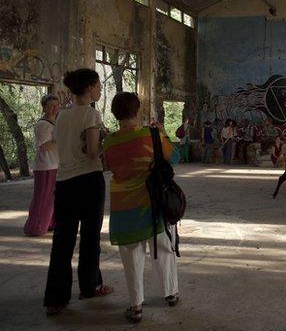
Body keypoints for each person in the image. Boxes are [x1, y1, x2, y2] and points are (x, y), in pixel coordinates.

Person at [103, 92, 180, 323]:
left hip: (124, 206)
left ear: (116, 114)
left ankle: (136, 306)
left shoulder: (109, 141)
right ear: (137, 111)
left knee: (131, 256)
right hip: (154, 202)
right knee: (164, 249)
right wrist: (163, 133)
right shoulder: (152, 135)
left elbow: (106, 165)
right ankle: (171, 293)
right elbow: (174, 159)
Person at [44, 69, 113, 315]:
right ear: (89, 88)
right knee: (90, 237)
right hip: (89, 181)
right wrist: (109, 146)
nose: (100, 90)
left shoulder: (62, 115)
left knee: (62, 240)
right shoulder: (91, 114)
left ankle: (55, 298)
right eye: (98, 86)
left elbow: (62, 145)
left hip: (64, 182)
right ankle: (89, 286)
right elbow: (93, 152)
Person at [24, 94, 60, 237]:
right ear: (44, 107)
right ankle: (35, 227)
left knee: (52, 198)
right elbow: (43, 146)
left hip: (54, 165)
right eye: (51, 105)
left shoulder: (54, 122)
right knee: (42, 198)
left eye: (56, 105)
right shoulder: (42, 124)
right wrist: (62, 140)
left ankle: (49, 224)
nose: (54, 108)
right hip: (45, 166)